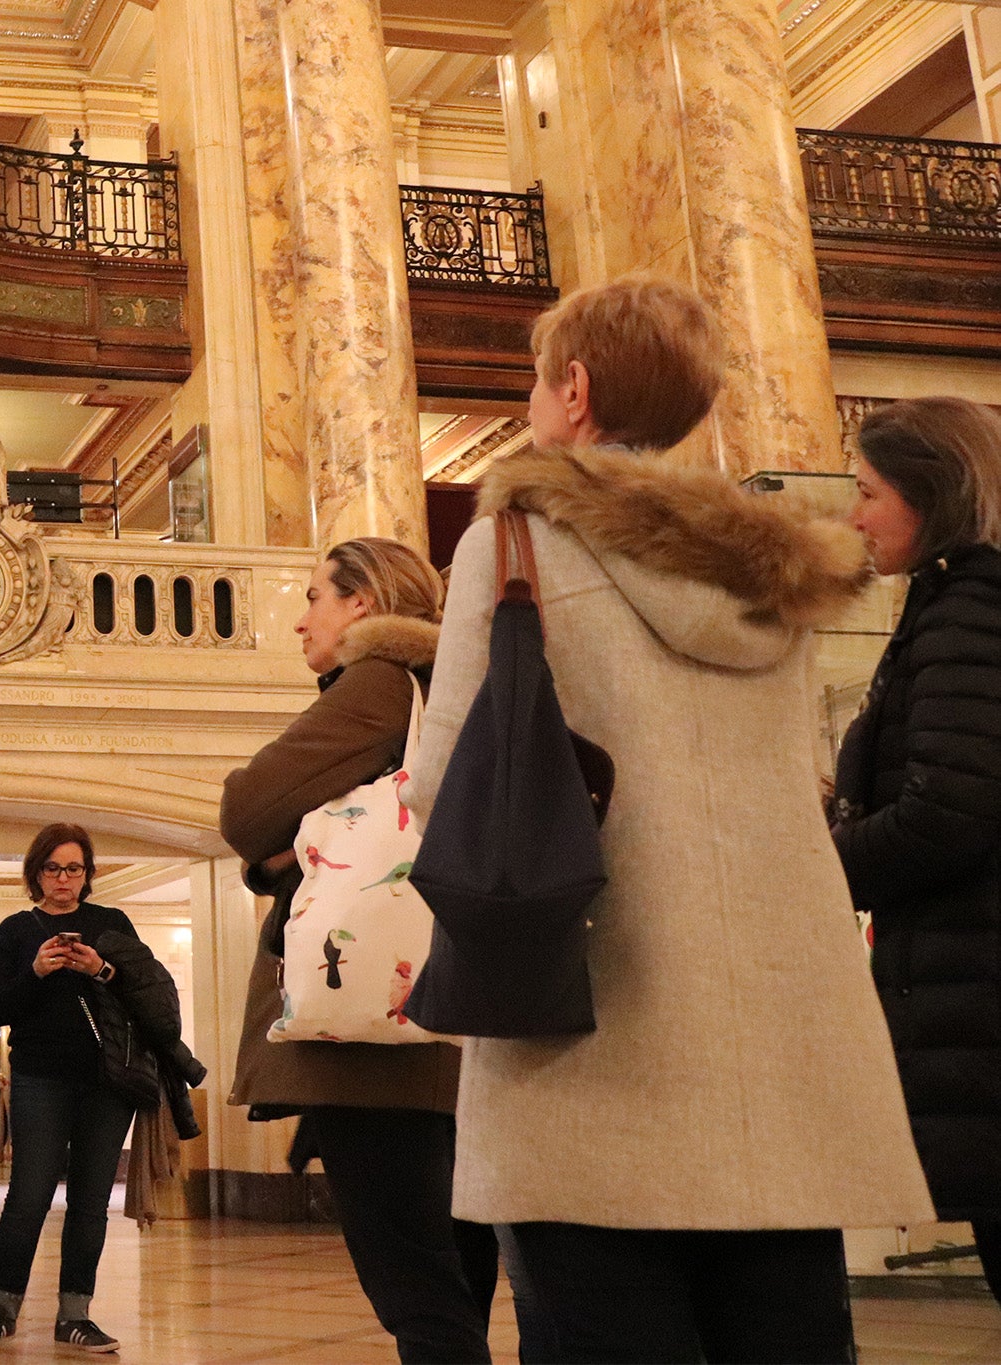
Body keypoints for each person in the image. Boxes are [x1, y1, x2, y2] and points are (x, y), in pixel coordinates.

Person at [410, 275, 932, 1361]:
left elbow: (443, 778)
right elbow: (805, 775)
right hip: (775, 1041)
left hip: (589, 1025)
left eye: (536, 380)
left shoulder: (513, 544)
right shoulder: (776, 576)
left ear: (575, 388)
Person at [215, 538, 496, 1363]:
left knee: (417, 1288)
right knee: (456, 1277)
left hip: (373, 1046)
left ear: (363, 602)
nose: (302, 620)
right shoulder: (454, 683)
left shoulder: (380, 680)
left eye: (315, 597)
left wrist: (279, 850)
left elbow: (246, 808)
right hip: (444, 1023)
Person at [831, 396, 1001, 1309]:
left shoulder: (967, 609)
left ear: (929, 494)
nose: (854, 516)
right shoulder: (952, 603)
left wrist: (823, 864)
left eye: (868, 492)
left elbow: (948, 811)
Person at [0, 824, 142, 1354]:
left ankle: (75, 1314)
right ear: (36, 873)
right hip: (39, 1076)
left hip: (107, 1080)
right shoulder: (17, 930)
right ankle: (0, 1309)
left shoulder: (112, 923)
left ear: (87, 874)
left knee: (91, 1200)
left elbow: (144, 990)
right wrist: (37, 971)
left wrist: (102, 968)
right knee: (29, 1194)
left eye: (74, 869)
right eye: (53, 868)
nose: (63, 879)